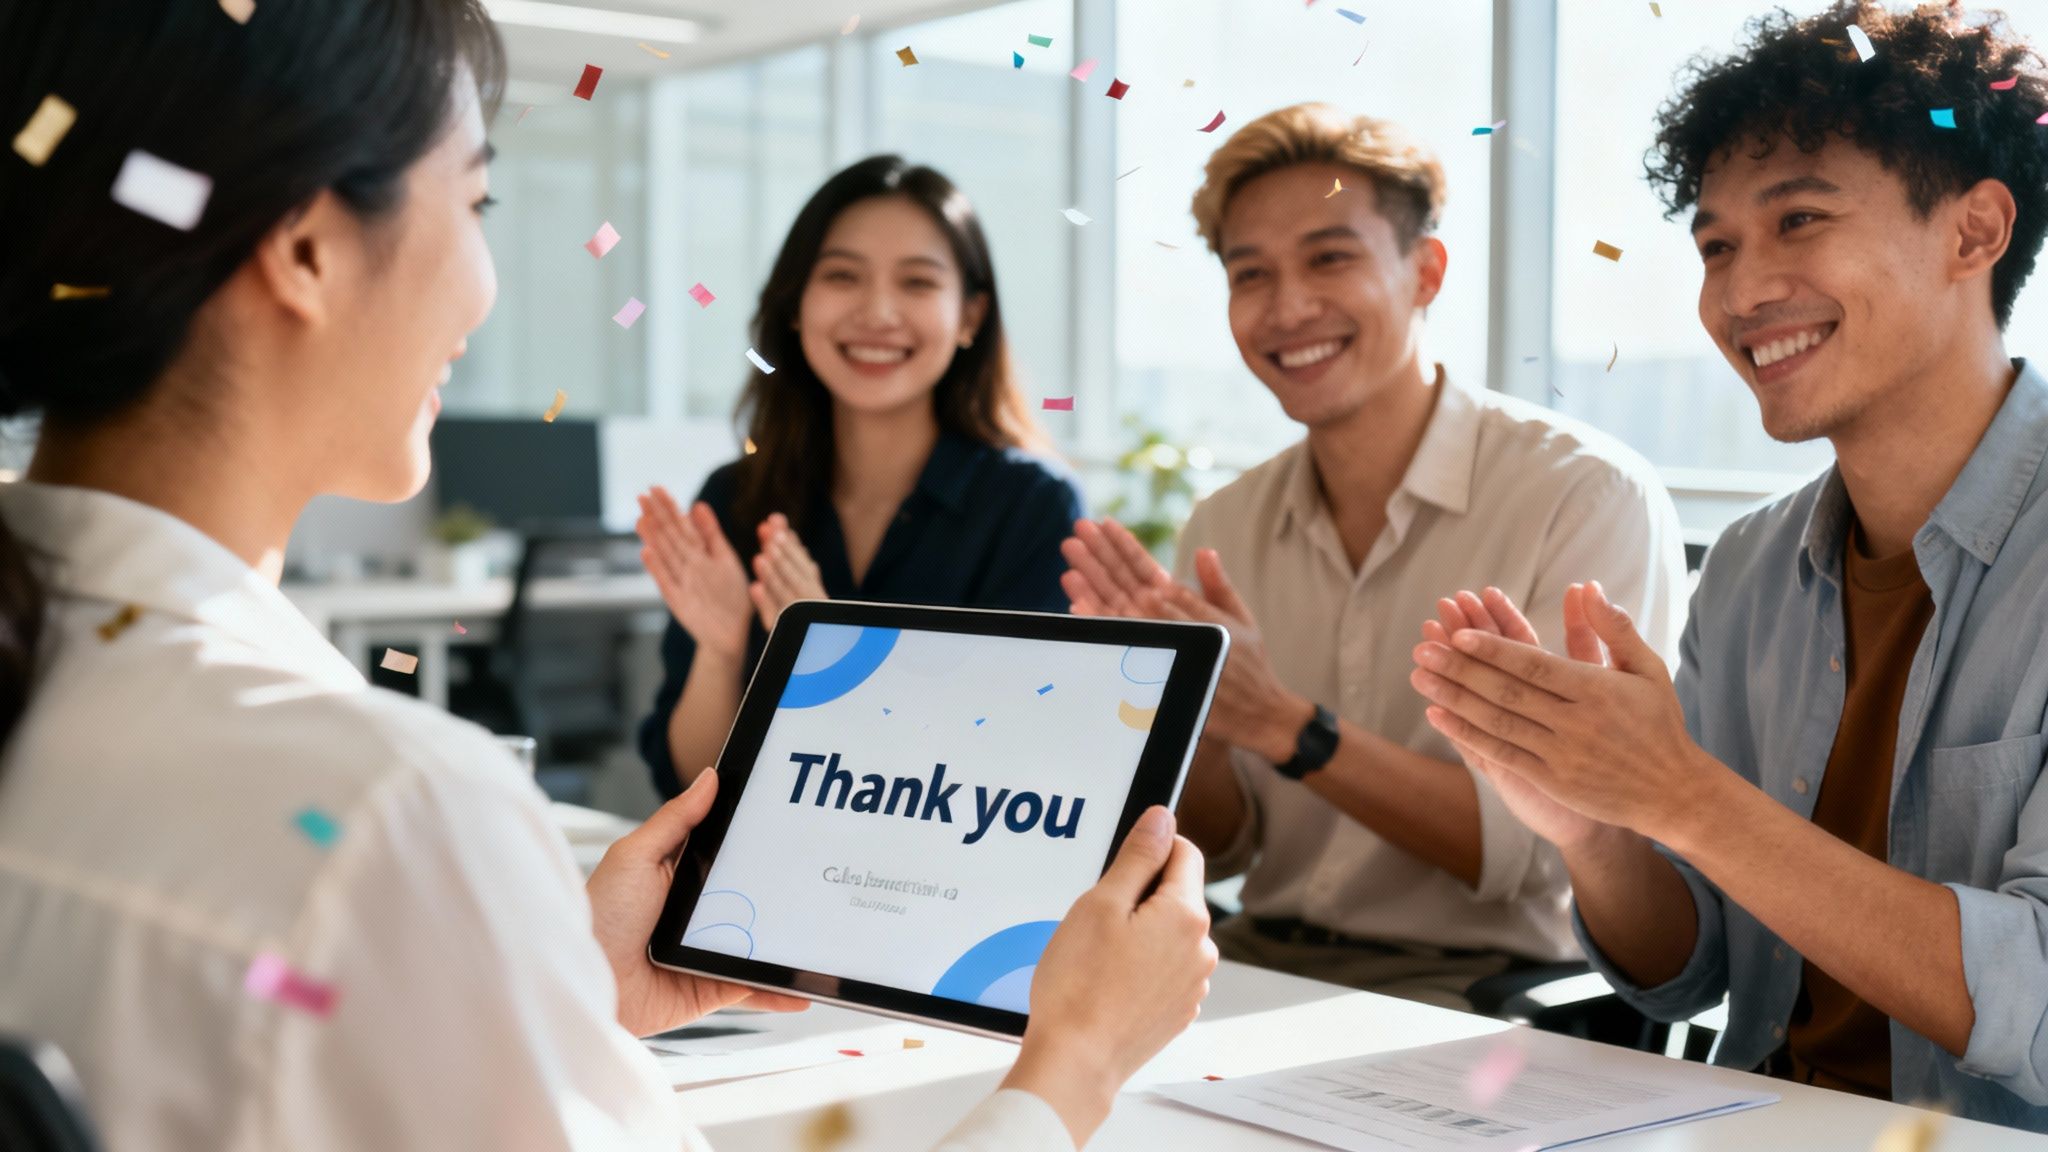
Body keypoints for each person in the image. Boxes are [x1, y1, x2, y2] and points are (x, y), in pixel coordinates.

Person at [0, 4, 1216, 1149]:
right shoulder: (388, 811)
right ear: (308, 248)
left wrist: (549, 980)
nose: (487, 282)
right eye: (474, 201)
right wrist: (1077, 1060)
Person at [1407, 1, 2048, 1130]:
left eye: (1797, 219)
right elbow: (1685, 970)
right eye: (1714, 246)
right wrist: (1592, 825)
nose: (1738, 293)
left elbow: (2036, 999)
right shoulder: (1753, 566)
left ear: (1972, 233)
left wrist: (1676, 792)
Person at [1060, 103, 1688, 1009]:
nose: (1287, 309)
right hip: (1246, 967)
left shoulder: (1582, 496)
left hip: (1480, 995)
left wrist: (1284, 725)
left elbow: (1526, 851)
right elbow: (1225, 849)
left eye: (1330, 258)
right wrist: (1192, 724)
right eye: (1251, 274)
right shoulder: (1225, 524)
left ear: (1425, 272)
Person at [636, 156, 1083, 799]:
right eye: (842, 276)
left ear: (970, 317)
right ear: (795, 305)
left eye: (918, 283)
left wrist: (831, 652)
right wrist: (721, 650)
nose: (877, 312)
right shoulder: (736, 499)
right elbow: (688, 785)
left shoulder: (1033, 509)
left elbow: (1010, 774)